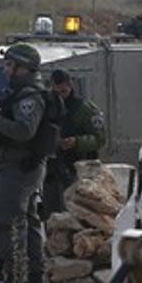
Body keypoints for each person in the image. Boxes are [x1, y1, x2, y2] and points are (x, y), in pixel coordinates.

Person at [0, 43, 57, 283]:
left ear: (22, 68)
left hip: (21, 166)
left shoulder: (29, 96)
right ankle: (34, 281)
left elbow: (25, 131)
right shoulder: (23, 93)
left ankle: (15, 280)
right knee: (29, 222)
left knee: (9, 222)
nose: (6, 70)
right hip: (21, 166)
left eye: (10, 65)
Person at [42, 69, 105, 219]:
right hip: (51, 170)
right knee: (52, 216)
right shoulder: (46, 107)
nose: (61, 89)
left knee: (75, 216)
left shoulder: (84, 109)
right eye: (57, 86)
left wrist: (77, 142)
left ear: (70, 85)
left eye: (64, 85)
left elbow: (99, 138)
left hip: (76, 170)